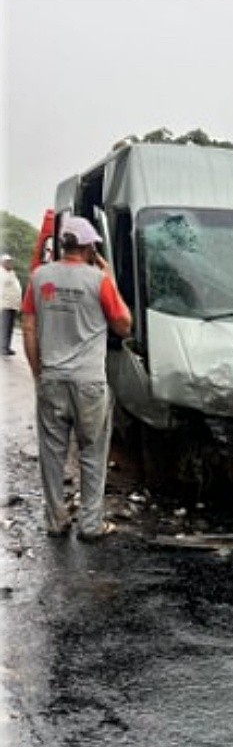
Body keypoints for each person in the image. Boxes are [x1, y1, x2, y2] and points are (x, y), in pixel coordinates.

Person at [21, 215, 133, 540]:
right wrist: (109, 278)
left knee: (52, 454)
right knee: (93, 452)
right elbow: (125, 325)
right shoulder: (99, 281)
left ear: (64, 244)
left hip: (52, 379)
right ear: (88, 247)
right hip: (89, 383)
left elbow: (28, 327)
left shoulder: (39, 277)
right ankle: (90, 524)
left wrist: (37, 373)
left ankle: (56, 520)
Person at [0, 253, 22, 355]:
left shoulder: (11, 273)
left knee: (9, 327)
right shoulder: (1, 273)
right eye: (8, 262)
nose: (10, 263)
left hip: (12, 305)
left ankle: (6, 346)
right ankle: (3, 347)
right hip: (5, 304)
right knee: (5, 327)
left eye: (11, 261)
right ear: (3, 263)